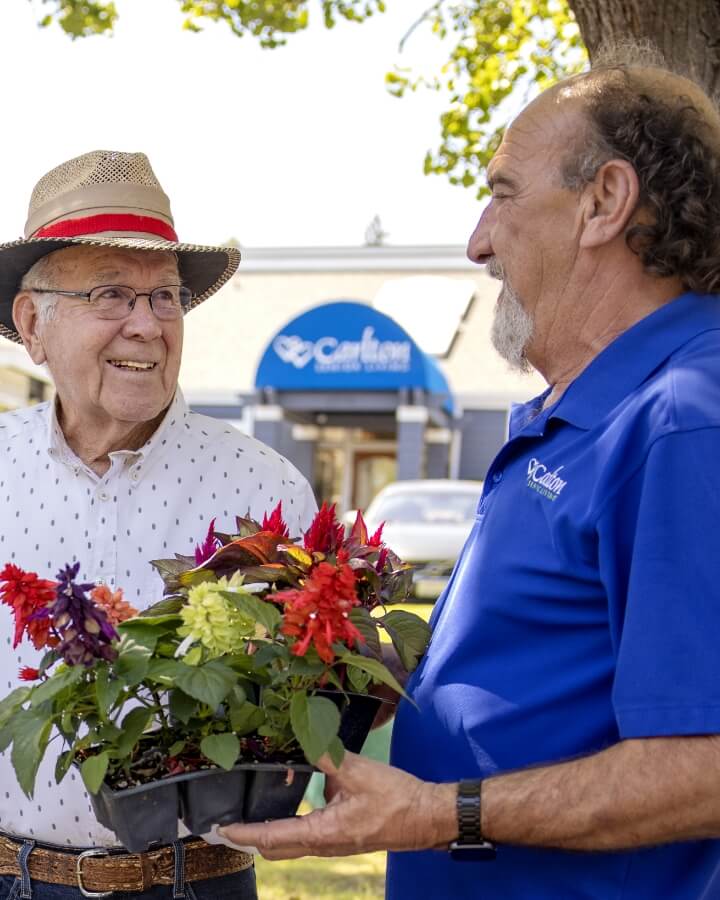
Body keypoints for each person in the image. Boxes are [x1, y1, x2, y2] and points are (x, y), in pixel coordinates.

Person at [219, 53, 720, 899]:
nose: (478, 241)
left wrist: (445, 812)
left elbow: (704, 769)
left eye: (504, 193)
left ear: (605, 201)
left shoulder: (684, 418)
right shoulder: (582, 407)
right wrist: (383, 670)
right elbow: (555, 661)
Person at [0, 151, 316, 900]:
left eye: (165, 298)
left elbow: (307, 702)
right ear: (32, 324)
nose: (147, 326)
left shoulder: (260, 491)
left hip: (191, 883)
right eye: (112, 294)